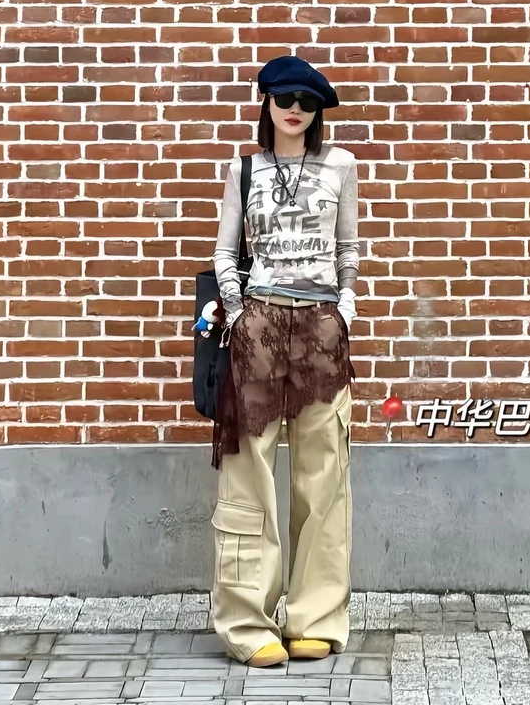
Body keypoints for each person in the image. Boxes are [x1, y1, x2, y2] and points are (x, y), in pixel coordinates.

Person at [209, 54, 360, 668]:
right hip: (260, 325)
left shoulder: (340, 165)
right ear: (267, 103)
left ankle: (315, 617)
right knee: (248, 475)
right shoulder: (244, 169)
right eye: (285, 98)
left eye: (307, 101)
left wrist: (344, 312)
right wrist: (238, 313)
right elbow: (225, 252)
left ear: (317, 110)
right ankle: (247, 621)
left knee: (324, 477)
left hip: (321, 328)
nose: (295, 109)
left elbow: (348, 249)